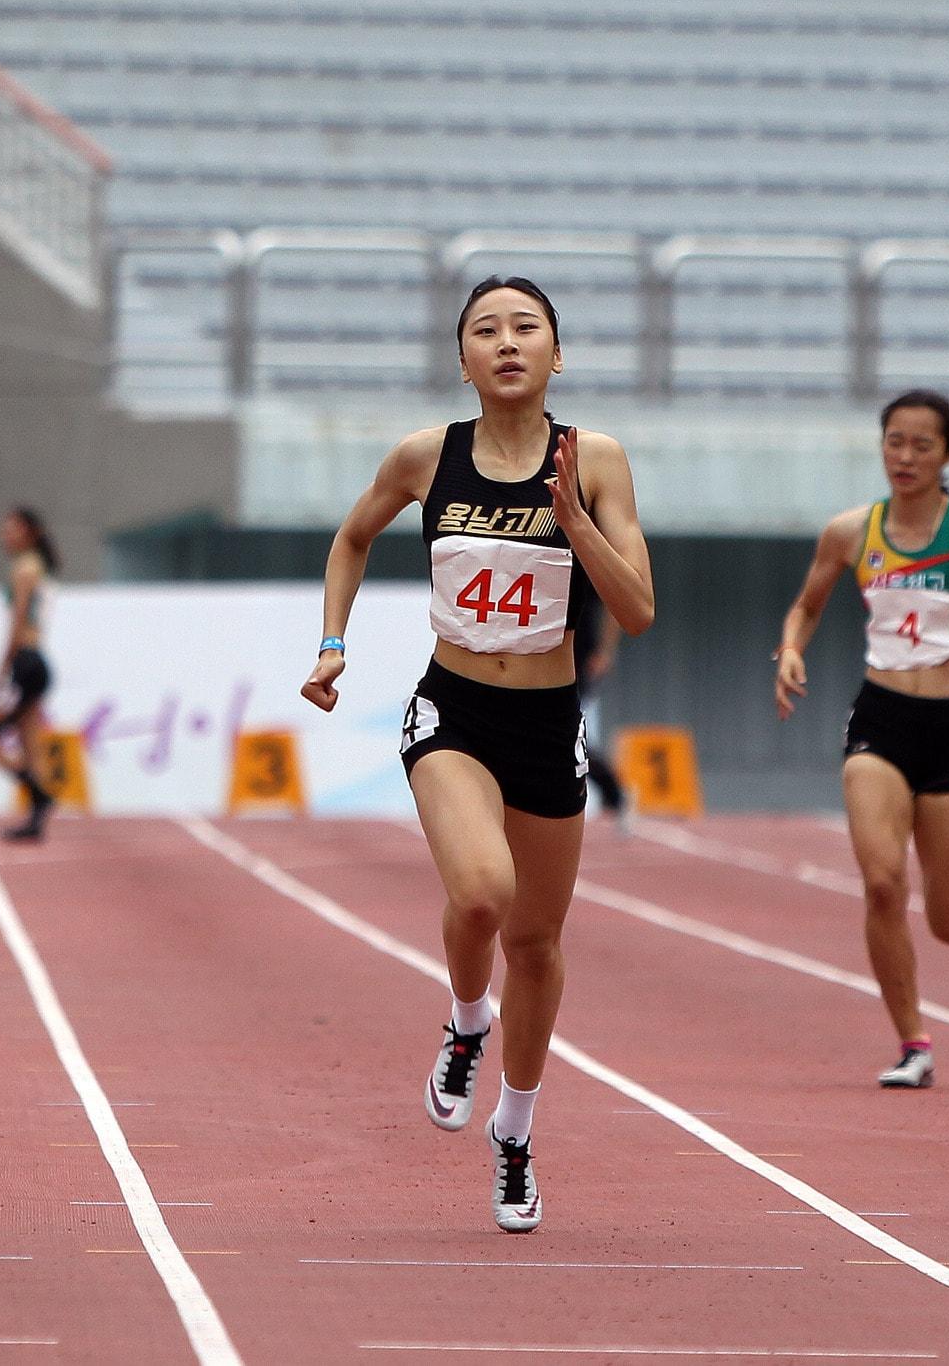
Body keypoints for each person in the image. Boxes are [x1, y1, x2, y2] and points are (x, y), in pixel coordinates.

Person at [302, 276, 653, 1232]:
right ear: (462, 359)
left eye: (526, 327)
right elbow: (350, 539)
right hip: (451, 709)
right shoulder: (427, 456)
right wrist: (333, 644)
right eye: (485, 331)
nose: (507, 342)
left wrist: (577, 526)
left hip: (548, 724)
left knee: (536, 944)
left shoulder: (599, 461)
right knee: (485, 893)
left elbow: (638, 609)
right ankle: (466, 1021)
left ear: (556, 354)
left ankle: (516, 1130)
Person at [773, 390, 949, 1089]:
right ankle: (912, 1040)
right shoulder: (852, 532)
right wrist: (792, 650)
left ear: (948, 455)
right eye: (895, 441)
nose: (906, 457)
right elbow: (805, 606)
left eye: (922, 444)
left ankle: (919, 1012)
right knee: (884, 883)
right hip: (880, 721)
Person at [0, 507, 58, 841]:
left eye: (12, 529)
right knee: (30, 742)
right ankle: (36, 820)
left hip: (26, 661)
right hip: (35, 661)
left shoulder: (24, 568)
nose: (5, 535)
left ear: (30, 532)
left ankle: (40, 795)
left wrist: (3, 665)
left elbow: (18, 621)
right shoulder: (37, 567)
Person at [574, 586, 630, 829]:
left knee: (569, 735)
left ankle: (616, 794)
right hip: (536, 661)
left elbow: (615, 601)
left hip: (576, 661)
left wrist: (606, 652)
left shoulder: (583, 554)